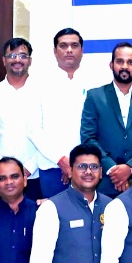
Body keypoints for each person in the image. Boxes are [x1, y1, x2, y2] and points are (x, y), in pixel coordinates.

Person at [80, 42, 132, 196]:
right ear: (111, 65)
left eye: (130, 62)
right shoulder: (94, 96)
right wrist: (112, 169)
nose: (125, 66)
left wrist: (130, 168)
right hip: (103, 182)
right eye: (120, 61)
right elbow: (88, 138)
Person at [30, 27, 89, 199]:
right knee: (55, 213)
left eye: (74, 45)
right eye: (63, 46)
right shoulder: (38, 83)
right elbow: (33, 130)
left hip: (87, 167)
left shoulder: (95, 81)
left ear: (82, 50)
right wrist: (61, 160)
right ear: (55, 51)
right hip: (52, 166)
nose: (69, 50)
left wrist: (76, 162)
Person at [0, 37, 50, 200]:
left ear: (30, 60)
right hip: (2, 177)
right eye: (12, 55)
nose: (17, 60)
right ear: (4, 60)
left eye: (23, 56)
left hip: (36, 174)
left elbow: (49, 134)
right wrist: (4, 169)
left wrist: (29, 167)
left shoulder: (44, 93)